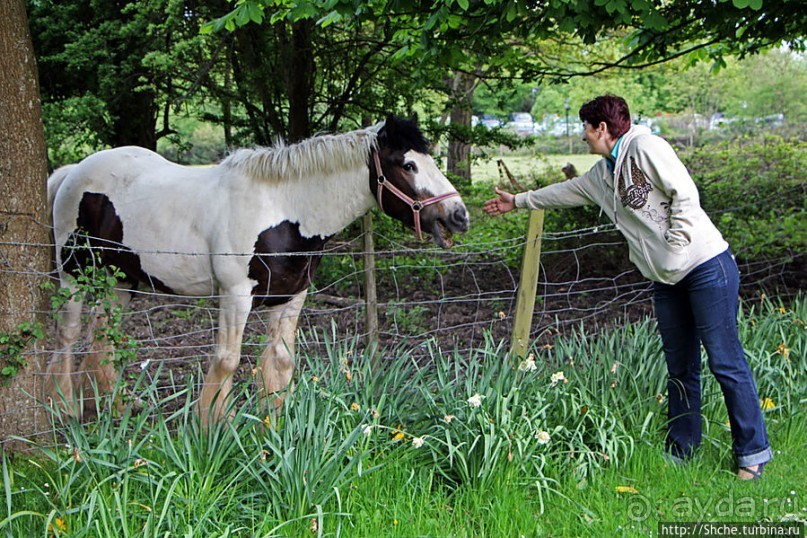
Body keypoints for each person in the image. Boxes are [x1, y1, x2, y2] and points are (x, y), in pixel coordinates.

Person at [483, 95, 771, 480]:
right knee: (679, 367)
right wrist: (518, 201)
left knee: (724, 361)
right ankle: (683, 449)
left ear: (602, 128)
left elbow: (684, 193)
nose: (583, 136)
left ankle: (752, 452)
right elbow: (564, 193)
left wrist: (676, 244)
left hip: (705, 267)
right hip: (666, 280)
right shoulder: (603, 173)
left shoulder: (647, 147)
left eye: (586, 128)